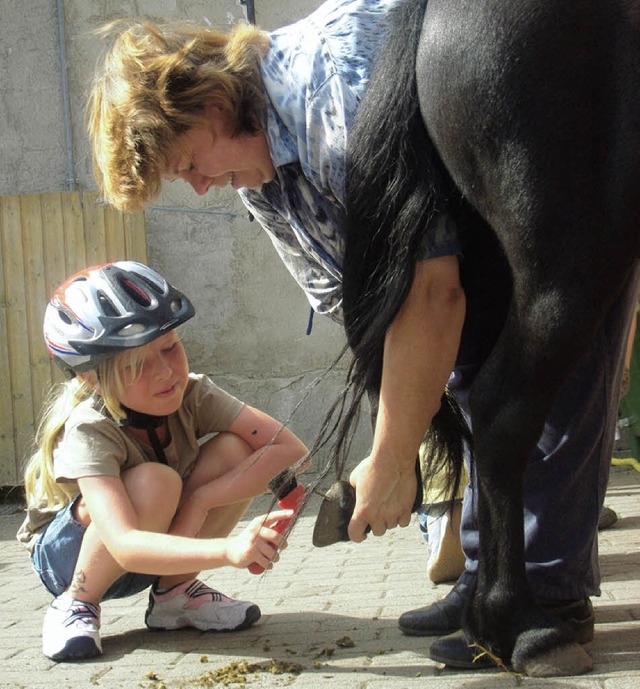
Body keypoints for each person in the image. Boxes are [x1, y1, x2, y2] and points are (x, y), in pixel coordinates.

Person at [86, 0, 640, 669]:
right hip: (465, 263)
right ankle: (487, 577)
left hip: (527, 219)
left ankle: (546, 592)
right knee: (471, 385)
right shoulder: (260, 180)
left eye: (188, 165)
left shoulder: (326, 96)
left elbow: (429, 294)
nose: (201, 188)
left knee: (551, 379)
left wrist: (390, 456)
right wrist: (397, 433)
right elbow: (355, 303)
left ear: (208, 104)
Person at [17, 261, 308, 662]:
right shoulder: (89, 426)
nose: (166, 373)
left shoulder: (193, 393)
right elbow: (124, 544)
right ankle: (77, 605)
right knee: (158, 481)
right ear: (92, 379)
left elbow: (289, 451)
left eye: (170, 347)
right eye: (137, 365)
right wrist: (229, 550)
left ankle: (174, 596)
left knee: (234, 451)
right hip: (72, 559)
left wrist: (203, 499)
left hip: (156, 543)